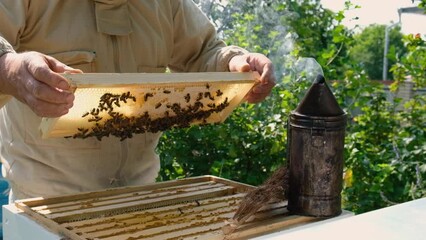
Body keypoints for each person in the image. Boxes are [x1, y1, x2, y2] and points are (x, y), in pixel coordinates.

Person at [0, 0, 276, 202]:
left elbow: (204, 53)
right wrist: (11, 69)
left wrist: (236, 64)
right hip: (45, 204)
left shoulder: (166, 5)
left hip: (141, 200)